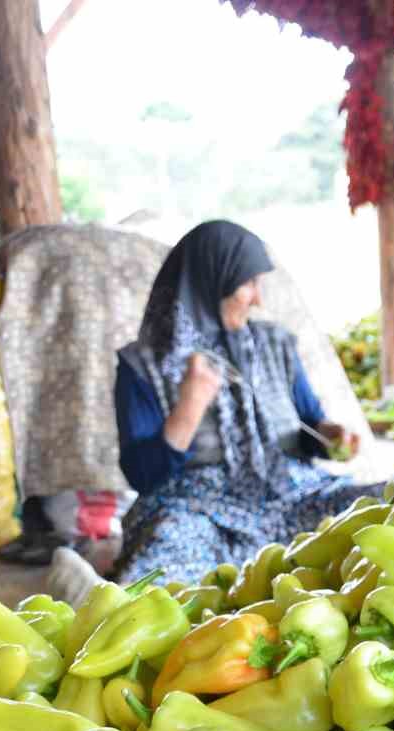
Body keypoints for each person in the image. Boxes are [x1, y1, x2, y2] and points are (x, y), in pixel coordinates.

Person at [105, 221, 375, 585]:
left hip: (289, 493)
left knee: (378, 507)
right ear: (209, 283)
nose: (259, 299)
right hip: (199, 508)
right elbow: (141, 475)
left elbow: (309, 424)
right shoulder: (145, 364)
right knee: (165, 557)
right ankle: (98, 601)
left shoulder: (275, 345)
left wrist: (332, 436)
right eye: (247, 284)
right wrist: (189, 408)